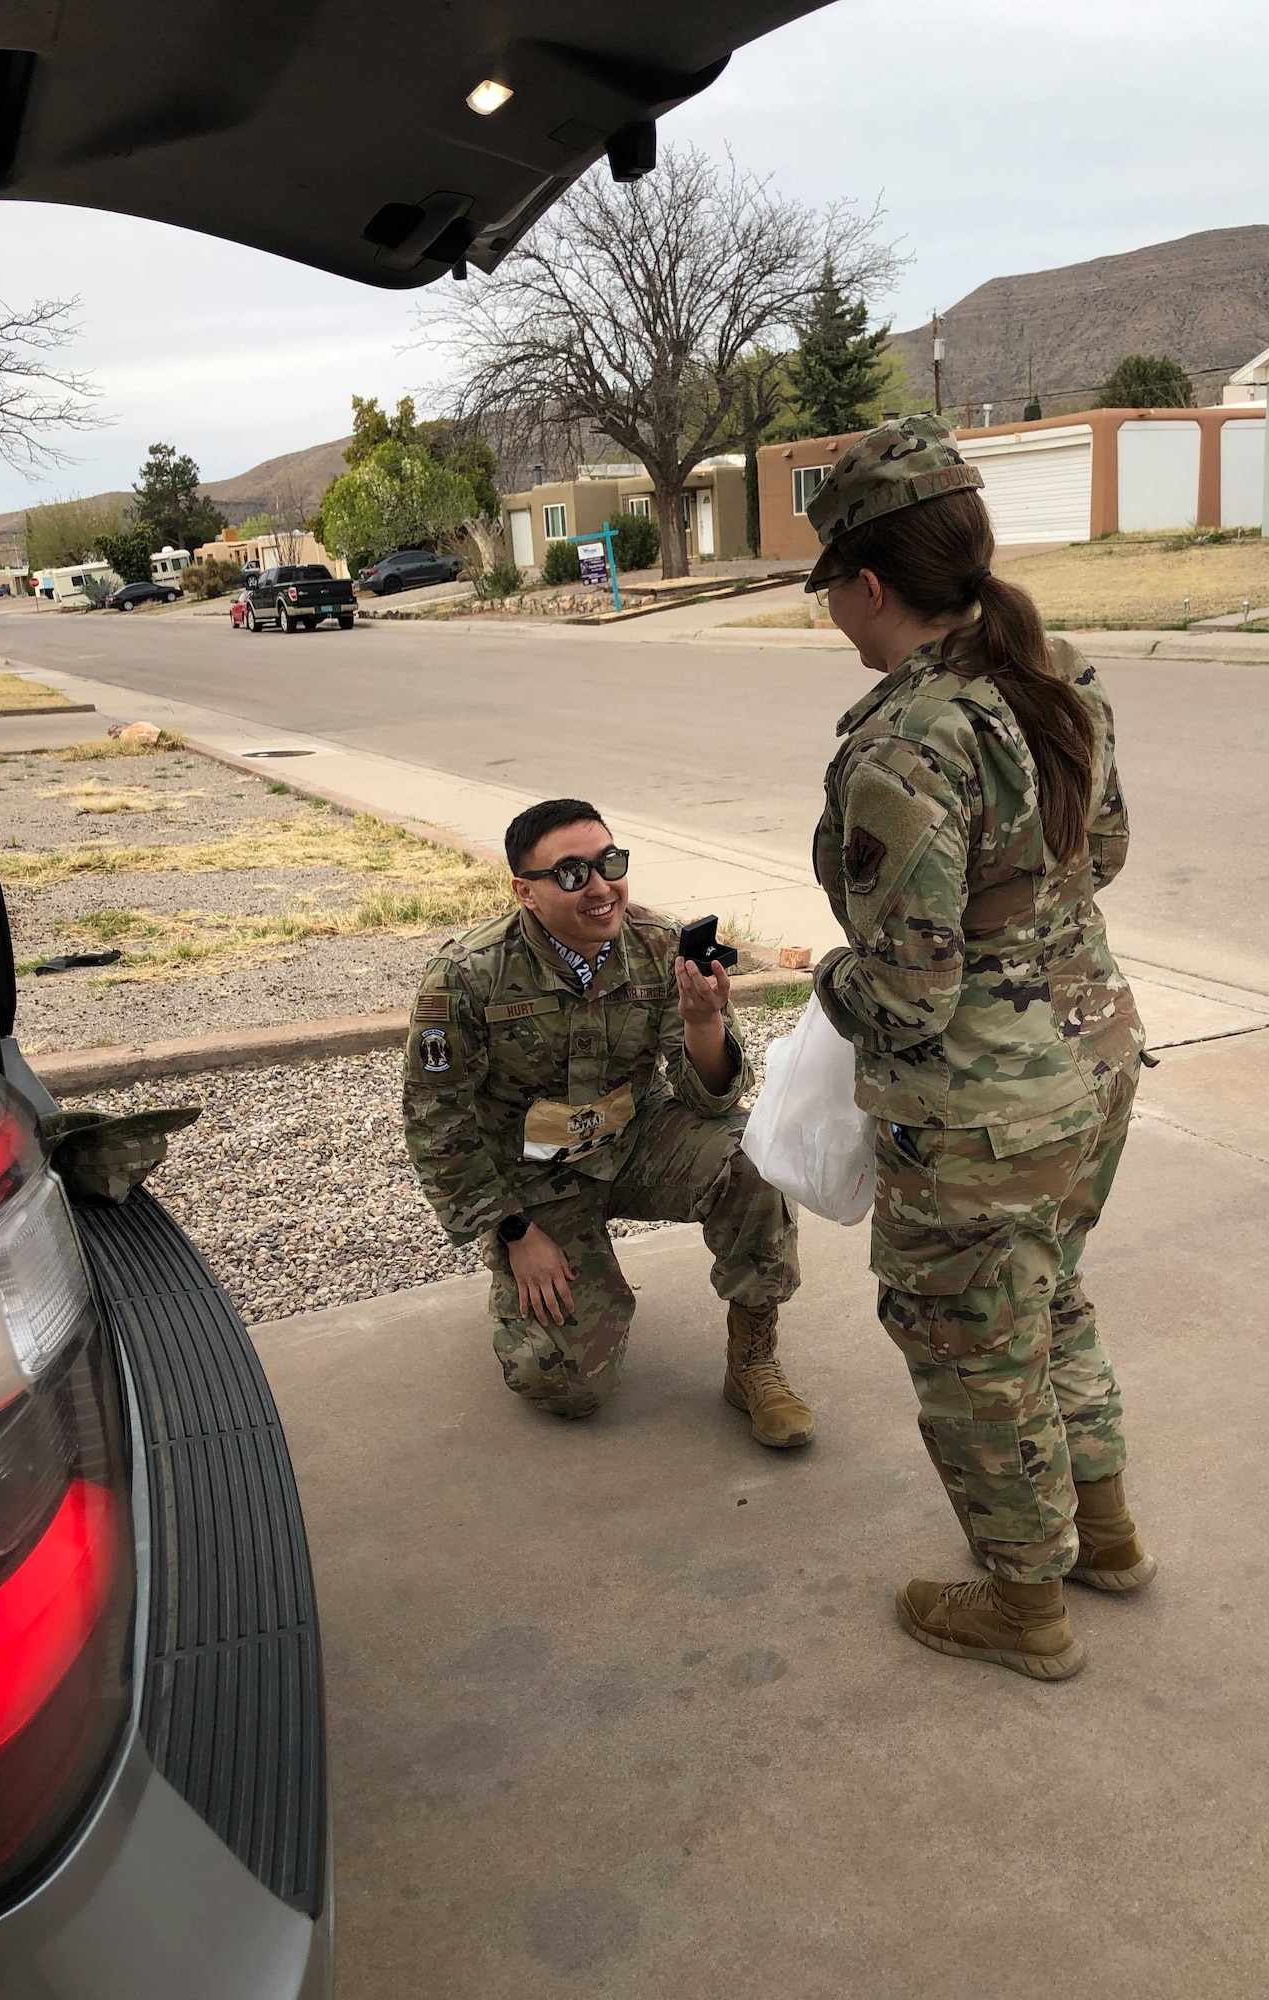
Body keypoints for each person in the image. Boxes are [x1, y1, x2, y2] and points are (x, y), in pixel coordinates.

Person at [803, 414, 1153, 1680]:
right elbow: (1100, 858)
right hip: (1093, 1058)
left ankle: (1026, 1604)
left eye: (832, 586)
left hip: (980, 1113)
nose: (832, 610)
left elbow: (907, 992)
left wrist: (825, 976)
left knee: (972, 1345)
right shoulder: (1054, 674)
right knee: (1050, 1295)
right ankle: (1103, 1537)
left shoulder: (908, 741)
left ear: (869, 584)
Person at [403, 798, 812, 1448]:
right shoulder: (468, 977)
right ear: (526, 892)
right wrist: (514, 1232)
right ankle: (559, 1278)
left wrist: (703, 1023)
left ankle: (753, 1362)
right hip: (535, 1177)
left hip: (634, 1140)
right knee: (565, 1386)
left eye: (609, 863)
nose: (600, 887)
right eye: (571, 874)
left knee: (754, 1158)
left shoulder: (659, 945)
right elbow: (436, 1125)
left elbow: (710, 1099)